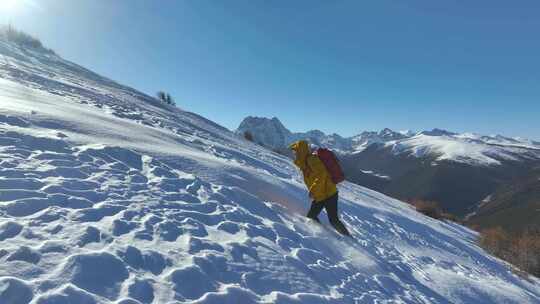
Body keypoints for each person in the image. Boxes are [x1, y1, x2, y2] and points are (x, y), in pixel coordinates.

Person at [289, 140, 351, 236]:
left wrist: (313, 189)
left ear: (301, 151)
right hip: (320, 196)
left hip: (329, 194)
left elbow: (322, 175)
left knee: (333, 220)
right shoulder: (304, 162)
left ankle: (349, 238)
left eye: (295, 151)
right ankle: (324, 234)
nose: (294, 153)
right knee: (311, 216)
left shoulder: (311, 160)